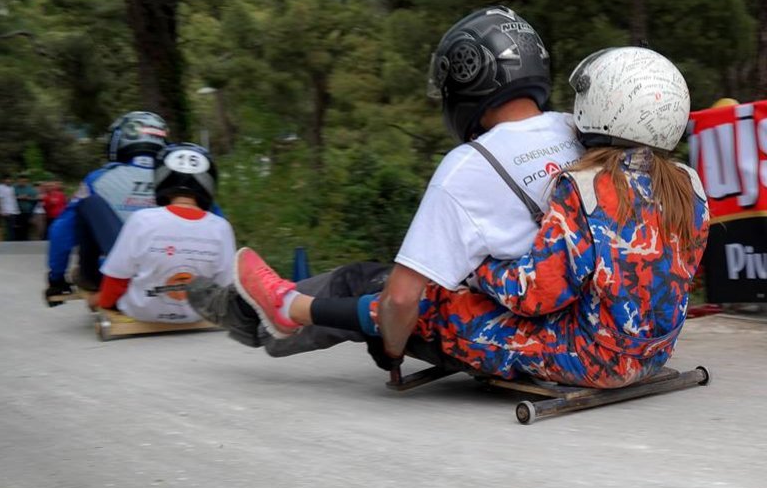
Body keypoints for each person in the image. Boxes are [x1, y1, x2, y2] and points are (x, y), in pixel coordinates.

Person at [235, 46, 710, 388]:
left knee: (431, 301)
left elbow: (536, 295)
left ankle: (290, 308)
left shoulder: (586, 185)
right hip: (651, 352)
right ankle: (289, 309)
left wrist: (476, 269)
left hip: (592, 359)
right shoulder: (689, 186)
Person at [187, 5, 583, 361]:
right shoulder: (580, 131)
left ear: (467, 76)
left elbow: (400, 298)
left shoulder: (469, 166)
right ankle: (243, 305)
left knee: (360, 281)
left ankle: (249, 314)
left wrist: (392, 346)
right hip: (588, 322)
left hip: (514, 332)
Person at [86, 143, 236, 323]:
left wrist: (102, 302)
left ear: (162, 176)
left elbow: (117, 278)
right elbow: (226, 285)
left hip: (141, 312)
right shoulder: (221, 227)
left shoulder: (142, 219)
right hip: (197, 315)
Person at [45, 111, 168, 301]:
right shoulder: (178, 178)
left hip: (121, 275)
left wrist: (56, 278)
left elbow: (61, 231)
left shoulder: (99, 179)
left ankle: (94, 279)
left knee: (85, 207)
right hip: (174, 271)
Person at [0, 175, 20, 241]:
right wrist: (1, 211)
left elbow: (13, 199)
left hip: (12, 210)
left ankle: (11, 241)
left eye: (10, 179)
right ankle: (4, 241)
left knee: (11, 227)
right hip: (4, 211)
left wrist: (16, 210)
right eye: (7, 179)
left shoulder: (11, 188)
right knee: (5, 228)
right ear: (3, 180)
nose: (9, 181)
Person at [14, 174, 39, 241]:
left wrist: (27, 198)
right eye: (20, 181)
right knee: (17, 228)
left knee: (26, 227)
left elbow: (36, 199)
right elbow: (10, 197)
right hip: (16, 211)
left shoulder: (31, 189)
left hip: (27, 211)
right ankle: (16, 241)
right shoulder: (14, 188)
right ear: (18, 181)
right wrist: (18, 197)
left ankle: (25, 241)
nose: (22, 182)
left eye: (24, 181)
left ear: (27, 181)